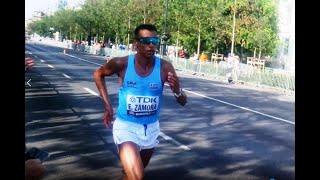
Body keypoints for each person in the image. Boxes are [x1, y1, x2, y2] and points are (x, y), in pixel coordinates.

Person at [93, 24, 187, 180]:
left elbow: (183, 102)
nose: (151, 45)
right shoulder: (121, 63)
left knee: (130, 175)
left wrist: (177, 89)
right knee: (137, 176)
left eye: (154, 41)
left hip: (151, 129)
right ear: (136, 44)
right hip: (126, 128)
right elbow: (98, 74)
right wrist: (107, 106)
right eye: (146, 41)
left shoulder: (164, 67)